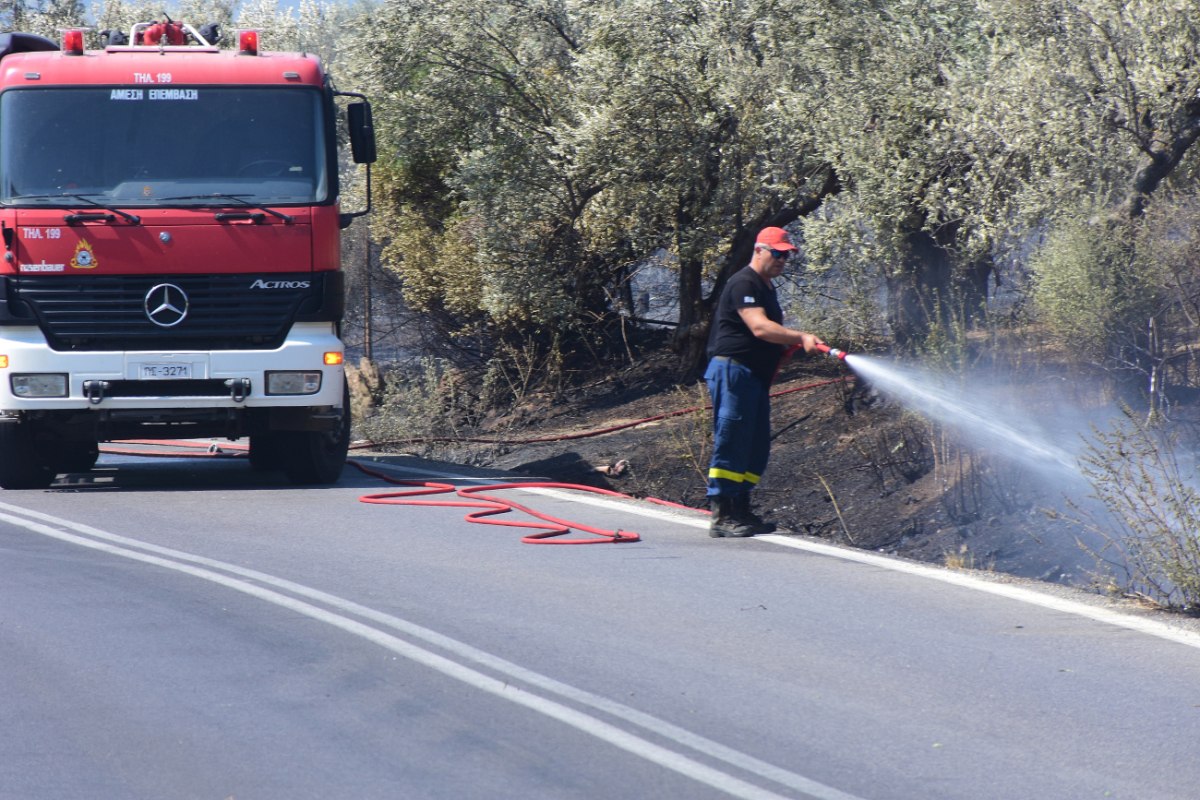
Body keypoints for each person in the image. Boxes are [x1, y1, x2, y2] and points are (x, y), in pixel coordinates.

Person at [704, 226, 827, 537]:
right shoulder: (743, 282)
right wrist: (799, 336)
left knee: (755, 445)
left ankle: (742, 508)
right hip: (733, 372)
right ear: (759, 250)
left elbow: (768, 333)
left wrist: (789, 344)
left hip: (752, 376)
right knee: (732, 438)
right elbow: (759, 327)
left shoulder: (766, 286)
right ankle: (723, 513)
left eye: (786, 255)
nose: (783, 260)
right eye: (777, 253)